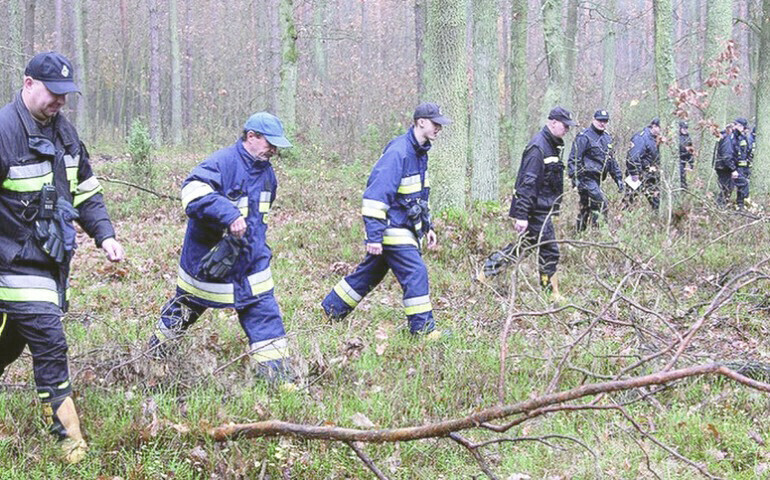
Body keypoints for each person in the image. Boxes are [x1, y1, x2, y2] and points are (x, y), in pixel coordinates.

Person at [0, 51, 125, 463]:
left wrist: (104, 235)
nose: (60, 102)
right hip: (12, 263)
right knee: (50, 341)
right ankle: (69, 439)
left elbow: (87, 191)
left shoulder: (66, 135)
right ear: (28, 83)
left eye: (65, 96)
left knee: (12, 341)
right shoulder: (3, 132)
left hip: (50, 265)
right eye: (54, 93)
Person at [148, 112, 295, 385]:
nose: (273, 150)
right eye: (269, 143)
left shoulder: (268, 175)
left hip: (251, 263)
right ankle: (152, 357)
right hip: (208, 263)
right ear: (251, 137)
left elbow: (258, 218)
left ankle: (280, 381)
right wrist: (228, 214)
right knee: (184, 309)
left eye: (276, 145)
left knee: (266, 316)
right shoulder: (222, 162)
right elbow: (191, 192)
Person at [321, 103, 449, 338]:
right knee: (416, 272)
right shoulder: (398, 152)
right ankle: (422, 330)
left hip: (404, 226)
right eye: (435, 123)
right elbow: (376, 196)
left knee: (369, 273)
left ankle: (331, 309)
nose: (439, 128)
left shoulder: (420, 153)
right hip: (393, 228)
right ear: (421, 122)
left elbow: (418, 196)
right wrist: (375, 235)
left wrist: (427, 226)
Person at [479, 106, 575, 296]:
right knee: (550, 251)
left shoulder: (552, 145)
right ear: (553, 122)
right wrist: (521, 215)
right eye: (565, 126)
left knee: (523, 247)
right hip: (536, 210)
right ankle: (551, 294)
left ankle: (485, 274)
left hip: (542, 209)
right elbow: (527, 184)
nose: (567, 130)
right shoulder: (538, 147)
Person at [567, 109, 623, 232]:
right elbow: (574, 159)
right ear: (593, 120)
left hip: (597, 179)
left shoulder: (607, 138)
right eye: (599, 120)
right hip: (586, 178)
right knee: (601, 204)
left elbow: (611, 161)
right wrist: (575, 178)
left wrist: (618, 178)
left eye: (605, 121)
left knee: (586, 208)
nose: (602, 123)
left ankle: (580, 233)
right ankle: (598, 232)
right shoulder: (584, 136)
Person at [624, 118, 662, 211]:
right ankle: (621, 222)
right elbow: (633, 157)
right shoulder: (641, 138)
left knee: (657, 204)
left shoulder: (658, 139)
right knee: (629, 203)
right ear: (654, 126)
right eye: (660, 127)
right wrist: (634, 173)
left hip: (652, 177)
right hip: (638, 175)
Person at [713, 123, 736, 207]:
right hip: (723, 167)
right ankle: (719, 205)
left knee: (727, 186)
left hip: (722, 166)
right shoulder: (727, 139)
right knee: (726, 187)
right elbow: (726, 156)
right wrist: (733, 168)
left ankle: (722, 204)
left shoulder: (723, 137)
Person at [731, 117, 751, 209]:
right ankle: (721, 204)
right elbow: (732, 153)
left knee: (742, 186)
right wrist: (733, 169)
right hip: (734, 167)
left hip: (743, 167)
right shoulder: (732, 136)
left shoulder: (743, 137)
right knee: (730, 186)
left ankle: (740, 204)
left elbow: (746, 152)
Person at [678, 121, 694, 189]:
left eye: (686, 128)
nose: (685, 130)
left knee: (683, 176)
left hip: (684, 160)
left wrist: (691, 163)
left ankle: (684, 189)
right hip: (678, 159)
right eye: (683, 128)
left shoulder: (688, 138)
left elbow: (690, 151)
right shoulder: (677, 137)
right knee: (680, 176)